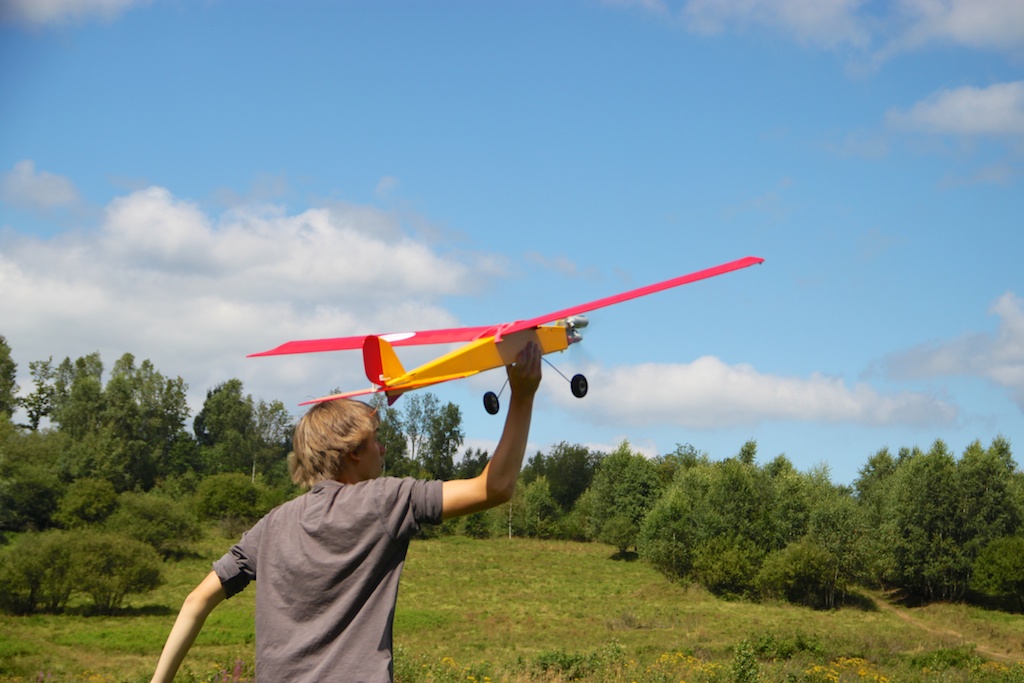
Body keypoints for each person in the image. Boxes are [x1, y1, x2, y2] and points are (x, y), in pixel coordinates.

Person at [151, 342, 542, 682]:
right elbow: (494, 487)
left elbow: (196, 601)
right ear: (354, 451)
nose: (383, 449)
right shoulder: (385, 501)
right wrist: (523, 395)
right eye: (376, 441)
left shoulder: (269, 527)